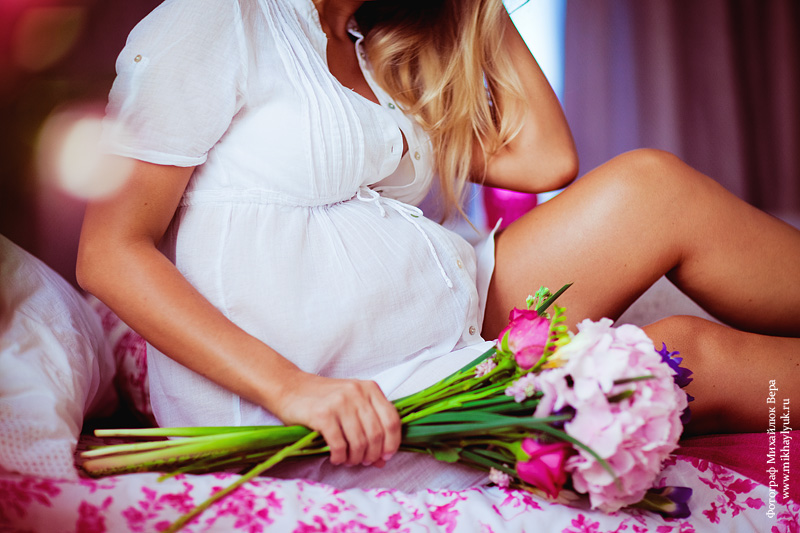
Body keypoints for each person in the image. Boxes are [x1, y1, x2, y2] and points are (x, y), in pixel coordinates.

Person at [77, 0, 800, 491]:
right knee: (681, 352)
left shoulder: (369, 46)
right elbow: (110, 252)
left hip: (448, 314)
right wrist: (291, 387)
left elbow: (545, 159)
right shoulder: (215, 17)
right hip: (326, 391)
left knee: (652, 188)